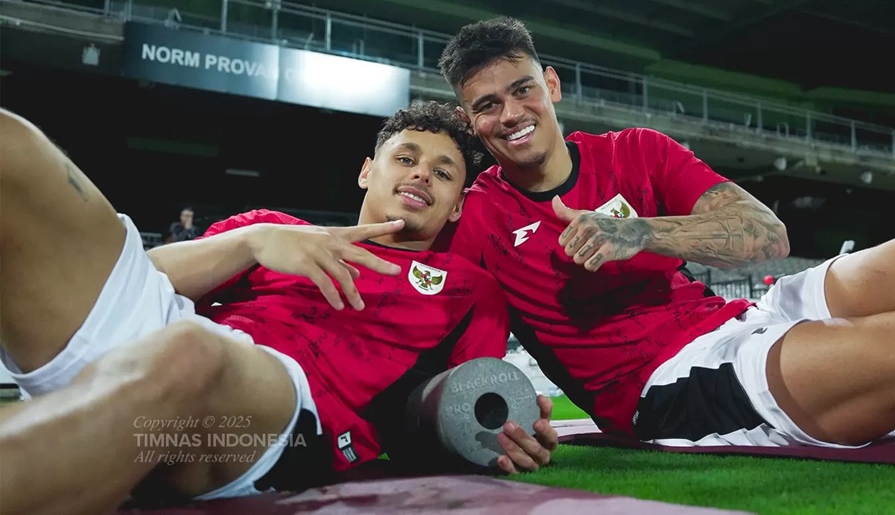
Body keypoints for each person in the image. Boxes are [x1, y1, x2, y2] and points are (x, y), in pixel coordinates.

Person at [0, 101, 557, 515]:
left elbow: (462, 406)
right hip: (165, 343)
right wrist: (252, 242)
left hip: (281, 415)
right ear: (367, 171)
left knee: (193, 352)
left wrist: (509, 434)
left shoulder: (469, 289)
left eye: (443, 173)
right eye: (406, 159)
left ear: (457, 205)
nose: (420, 174)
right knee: (13, 142)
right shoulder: (273, 228)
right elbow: (146, 279)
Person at [428, 15, 895, 450]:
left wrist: (640, 232)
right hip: (668, 383)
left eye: (522, 90)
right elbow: (412, 303)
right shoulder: (476, 215)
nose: (511, 114)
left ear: (551, 84)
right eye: (487, 106)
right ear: (468, 121)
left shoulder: (636, 150)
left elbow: (768, 235)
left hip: (741, 319)